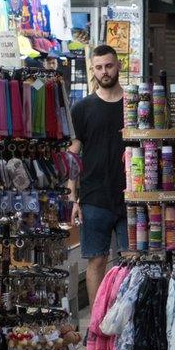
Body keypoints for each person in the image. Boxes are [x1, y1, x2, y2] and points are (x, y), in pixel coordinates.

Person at [68, 44, 127, 311]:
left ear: (118, 66)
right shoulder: (82, 108)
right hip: (93, 198)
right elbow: (73, 156)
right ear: (93, 70)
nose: (105, 72)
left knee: (130, 263)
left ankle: (127, 319)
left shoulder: (133, 105)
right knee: (96, 261)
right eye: (99, 67)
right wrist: (72, 197)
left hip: (131, 197)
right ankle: (96, 322)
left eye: (109, 65)